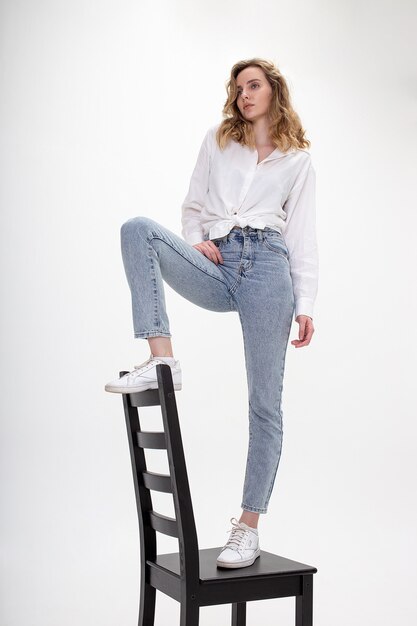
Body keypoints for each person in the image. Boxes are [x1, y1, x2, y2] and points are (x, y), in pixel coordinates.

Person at [105, 58, 318, 569]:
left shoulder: (297, 159)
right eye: (238, 87)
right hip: (219, 262)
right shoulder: (218, 140)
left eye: (254, 85)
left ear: (273, 91)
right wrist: (198, 241)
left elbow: (302, 235)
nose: (244, 94)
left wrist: (306, 302)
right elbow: (193, 203)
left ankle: (247, 528)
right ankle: (162, 359)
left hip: (270, 271)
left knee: (265, 405)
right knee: (138, 229)